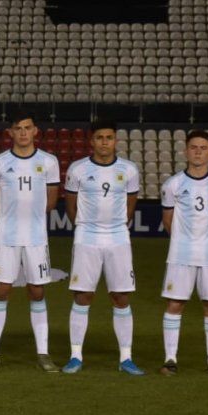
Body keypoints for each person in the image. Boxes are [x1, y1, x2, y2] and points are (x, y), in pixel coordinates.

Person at [62, 120, 145, 375]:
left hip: (118, 237)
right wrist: (85, 226)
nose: (105, 142)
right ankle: (76, 356)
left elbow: (131, 204)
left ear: (115, 140)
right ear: (92, 141)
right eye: (100, 137)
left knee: (120, 296)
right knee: (83, 295)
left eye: (109, 137)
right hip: (87, 237)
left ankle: (126, 358)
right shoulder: (78, 169)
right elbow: (71, 205)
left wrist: (117, 225)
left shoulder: (129, 170)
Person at [0, 110, 60, 372]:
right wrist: (5, 221)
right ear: (11, 133)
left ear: (35, 131)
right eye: (18, 128)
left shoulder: (49, 162)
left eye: (28, 128)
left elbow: (50, 200)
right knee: (1, 292)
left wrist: (31, 220)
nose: (24, 133)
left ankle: (43, 353)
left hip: (36, 238)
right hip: (7, 238)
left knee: (37, 292)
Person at [159, 130, 208, 377]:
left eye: (203, 148)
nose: (198, 152)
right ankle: (170, 359)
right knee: (175, 303)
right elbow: (168, 222)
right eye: (194, 147)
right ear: (186, 151)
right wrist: (186, 242)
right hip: (181, 255)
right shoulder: (173, 184)